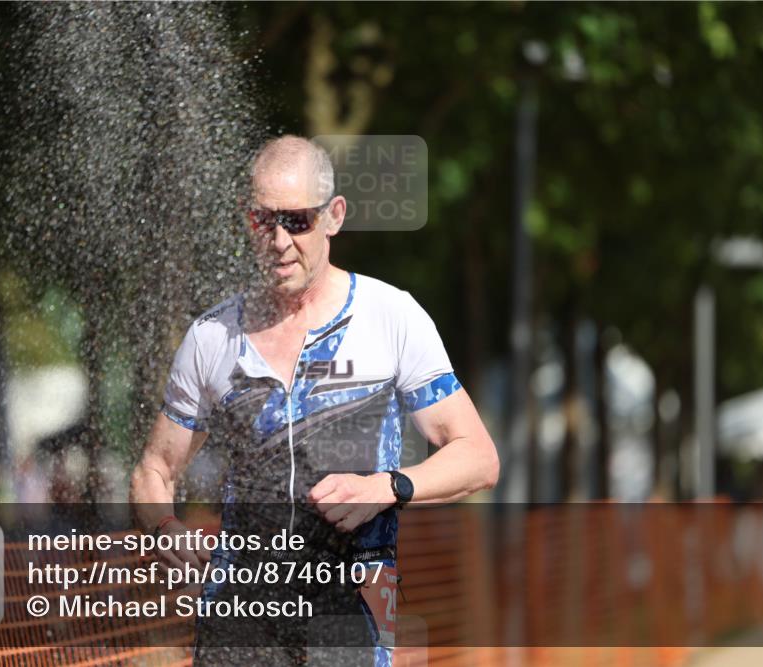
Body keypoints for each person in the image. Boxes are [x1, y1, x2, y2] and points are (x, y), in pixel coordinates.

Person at [131, 135, 499, 666]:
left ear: (334, 217)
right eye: (264, 221)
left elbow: (478, 457)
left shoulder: (390, 316)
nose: (279, 240)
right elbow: (153, 470)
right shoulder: (212, 336)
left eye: (298, 221)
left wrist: (386, 487)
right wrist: (167, 531)